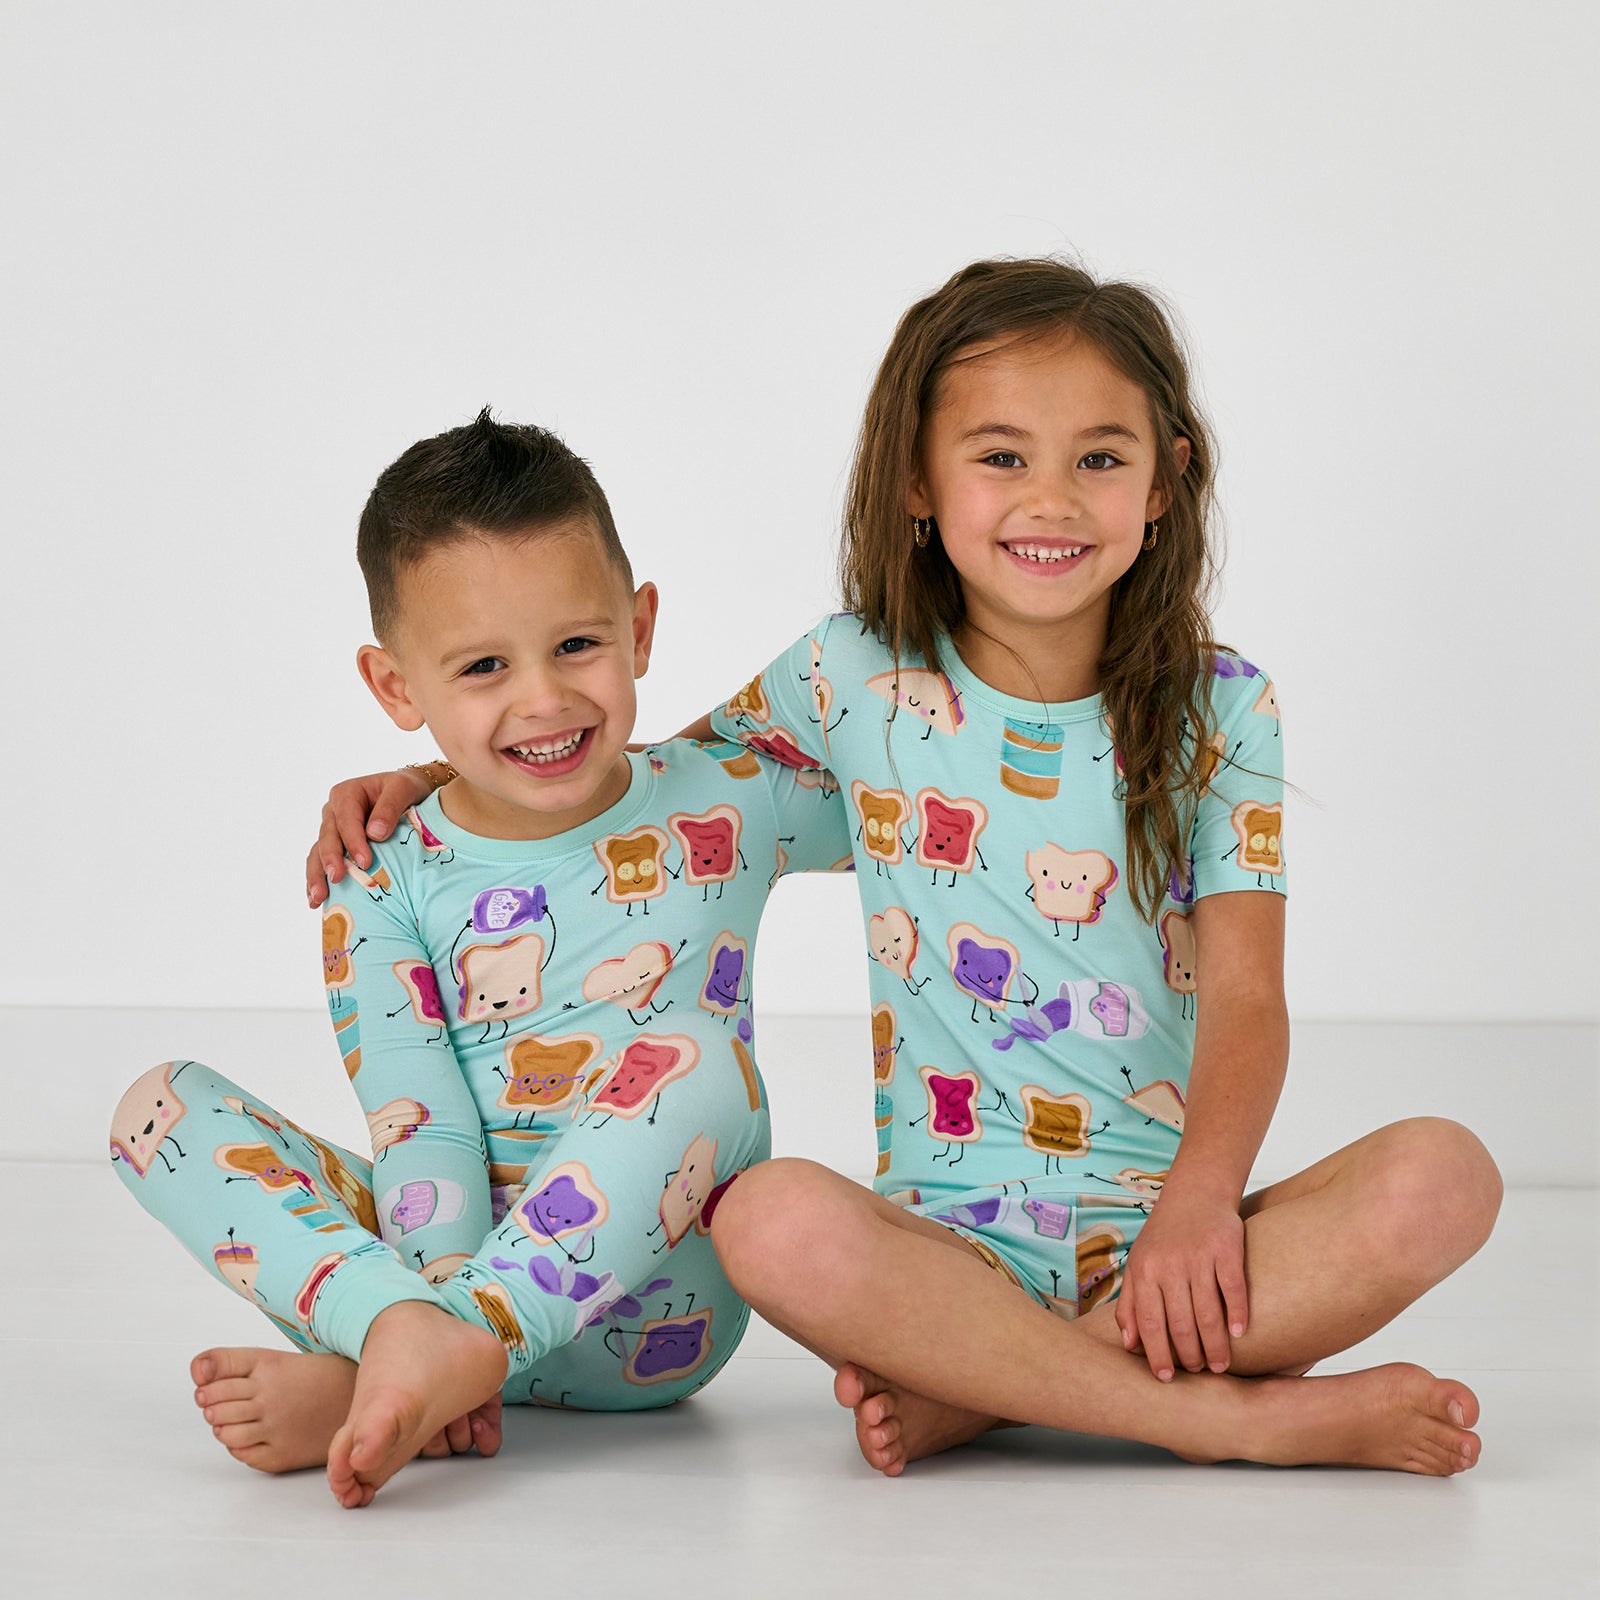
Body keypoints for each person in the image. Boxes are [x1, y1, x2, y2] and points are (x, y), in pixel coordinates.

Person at [308, 259, 1502, 1478]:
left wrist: (1200, 1204)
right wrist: (433, 780)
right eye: (1001, 456)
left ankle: (991, 1395)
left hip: (1174, 1240)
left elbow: (1247, 997)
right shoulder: (851, 678)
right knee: (769, 1219)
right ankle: (1223, 1417)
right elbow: (644, 788)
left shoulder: (1221, 708)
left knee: (1445, 1176)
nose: (1051, 499)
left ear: (1165, 480)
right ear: (918, 481)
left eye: (1099, 457)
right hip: (944, 1264)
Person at [111, 412, 847, 1508]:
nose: (542, 698)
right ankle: (414, 1350)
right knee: (155, 1108)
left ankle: (413, 1367)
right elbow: (424, 1126)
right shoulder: (380, 872)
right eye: (484, 665)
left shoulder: (731, 797)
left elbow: (919, 807)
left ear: (640, 628)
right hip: (428, 1269)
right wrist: (436, 1294)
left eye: (577, 645)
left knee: (700, 1058)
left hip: (655, 1315)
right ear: (396, 687)